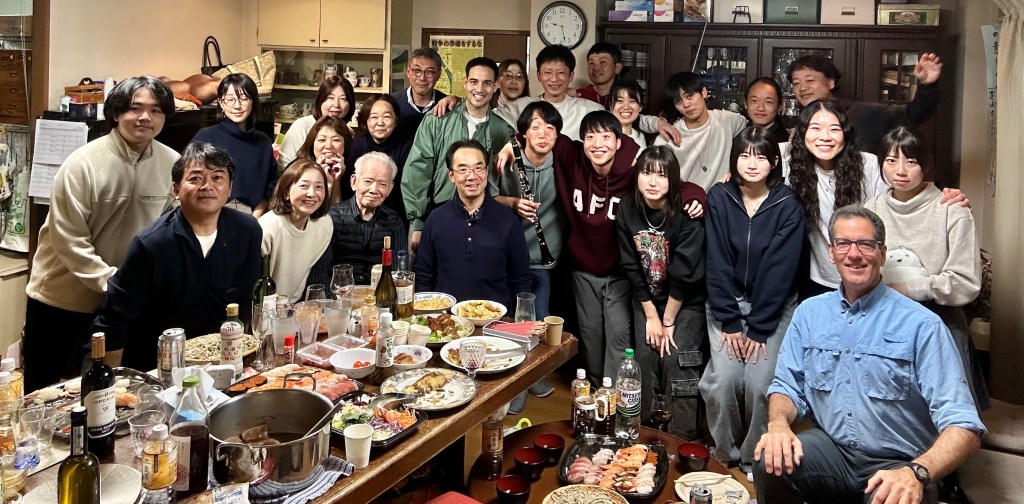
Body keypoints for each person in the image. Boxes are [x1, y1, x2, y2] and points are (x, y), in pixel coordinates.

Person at [753, 205, 986, 504]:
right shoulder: (809, 314)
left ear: (882, 253)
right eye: (843, 244)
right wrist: (778, 425)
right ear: (831, 252)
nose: (854, 254)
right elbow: (787, 386)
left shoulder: (922, 325)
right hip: (834, 452)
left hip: (902, 461)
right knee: (771, 460)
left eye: (865, 244)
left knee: (891, 499)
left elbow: (965, 426)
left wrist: (917, 472)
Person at [22, 76, 178, 392]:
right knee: (47, 395)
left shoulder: (173, 163)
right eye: (135, 108)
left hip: (123, 303)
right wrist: (114, 283)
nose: (145, 117)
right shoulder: (82, 164)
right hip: (62, 299)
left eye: (155, 110)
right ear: (116, 113)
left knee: (111, 394)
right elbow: (69, 239)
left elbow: (167, 230)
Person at [93, 142, 261, 371]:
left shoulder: (247, 230)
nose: (207, 186)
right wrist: (113, 380)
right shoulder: (152, 243)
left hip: (224, 360)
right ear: (176, 189)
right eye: (195, 178)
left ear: (230, 187)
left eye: (217, 178)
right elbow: (115, 318)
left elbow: (247, 298)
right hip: (158, 366)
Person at [699, 127, 805, 477]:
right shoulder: (719, 197)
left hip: (772, 308)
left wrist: (758, 328)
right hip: (726, 304)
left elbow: (781, 270)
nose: (752, 163)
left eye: (760, 156)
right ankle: (724, 452)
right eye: (744, 155)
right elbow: (716, 260)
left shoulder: (787, 204)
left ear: (774, 162)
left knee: (761, 385)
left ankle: (753, 457)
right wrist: (730, 321)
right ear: (734, 160)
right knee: (724, 382)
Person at [864, 127, 989, 411]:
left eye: (911, 161)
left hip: (939, 312)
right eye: (891, 160)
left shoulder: (951, 208)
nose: (900, 171)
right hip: (884, 312)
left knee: (951, 409)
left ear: (926, 164)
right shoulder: (872, 208)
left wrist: (908, 289)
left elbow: (966, 282)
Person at [616, 145, 706, 440]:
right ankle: (641, 432)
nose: (653, 182)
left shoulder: (687, 211)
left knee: (677, 359)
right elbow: (631, 265)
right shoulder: (627, 207)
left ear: (674, 179)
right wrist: (651, 316)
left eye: (662, 175)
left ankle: (680, 437)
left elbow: (684, 273)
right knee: (644, 358)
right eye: (647, 173)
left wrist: (667, 321)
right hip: (647, 299)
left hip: (685, 300)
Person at [490, 102, 567, 411]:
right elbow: (487, 197)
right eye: (535, 127)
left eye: (550, 128)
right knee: (512, 320)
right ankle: (513, 383)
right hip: (511, 254)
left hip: (546, 255)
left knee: (540, 319)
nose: (543, 134)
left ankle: (534, 376)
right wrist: (512, 202)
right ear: (523, 134)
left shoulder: (563, 160)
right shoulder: (507, 159)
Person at [403, 56, 514, 251]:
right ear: (465, 82)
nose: (479, 89)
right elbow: (418, 170)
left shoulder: (503, 131)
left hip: (483, 220)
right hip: (436, 213)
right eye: (474, 81)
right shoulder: (438, 120)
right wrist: (418, 221)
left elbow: (504, 182)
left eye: (487, 83)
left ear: (496, 85)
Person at [782, 100, 887, 299]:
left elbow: (899, 196)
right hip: (819, 278)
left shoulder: (869, 164)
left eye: (834, 129)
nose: (825, 137)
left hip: (867, 275)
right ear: (802, 133)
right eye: (816, 128)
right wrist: (731, 175)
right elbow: (754, 154)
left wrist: (942, 193)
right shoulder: (791, 165)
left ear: (845, 133)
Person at [415, 139, 532, 309]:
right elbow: (424, 276)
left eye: (478, 168)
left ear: (486, 171)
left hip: (496, 317)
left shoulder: (508, 219)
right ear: (451, 176)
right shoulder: (436, 219)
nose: (472, 176)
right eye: (463, 170)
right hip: (446, 318)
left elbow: (520, 278)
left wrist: (520, 317)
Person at [495, 45, 679, 145]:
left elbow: (624, 116)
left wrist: (657, 122)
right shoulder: (522, 106)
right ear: (539, 76)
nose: (554, 79)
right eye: (548, 73)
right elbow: (487, 120)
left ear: (571, 76)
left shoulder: (588, 108)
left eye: (561, 73)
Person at [788, 53, 942, 155]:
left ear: (830, 82)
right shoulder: (797, 122)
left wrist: (927, 85)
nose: (802, 88)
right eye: (796, 83)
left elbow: (912, 116)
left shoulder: (863, 113)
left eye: (810, 80)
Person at [193, 73, 278, 217]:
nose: (237, 106)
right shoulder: (206, 137)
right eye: (230, 99)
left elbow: (270, 187)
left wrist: (254, 219)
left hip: (253, 215)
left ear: (253, 102)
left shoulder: (263, 141)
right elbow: (191, 182)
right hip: (212, 214)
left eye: (244, 99)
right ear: (221, 103)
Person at [654, 71, 749, 191]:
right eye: (678, 101)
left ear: (704, 92)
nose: (686, 104)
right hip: (686, 200)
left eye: (689, 96)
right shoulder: (668, 138)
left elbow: (757, 129)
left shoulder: (728, 121)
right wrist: (656, 122)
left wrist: (735, 172)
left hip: (722, 199)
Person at [328, 152, 408, 287]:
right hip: (340, 294)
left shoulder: (394, 222)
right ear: (354, 182)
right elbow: (321, 271)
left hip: (381, 294)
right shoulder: (332, 218)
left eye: (382, 184)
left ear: (390, 188)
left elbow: (399, 272)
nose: (374, 190)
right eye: (368, 181)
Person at [258, 158, 333, 303]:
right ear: (286, 192)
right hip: (263, 308)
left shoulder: (324, 225)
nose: (312, 194)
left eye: (319, 187)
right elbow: (256, 286)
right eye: (304, 186)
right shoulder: (267, 228)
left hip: (295, 308)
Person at [345, 93, 411, 216]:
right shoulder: (357, 145)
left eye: (387, 117)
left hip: (395, 210)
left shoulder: (406, 146)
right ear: (366, 121)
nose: (380, 123)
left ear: (396, 120)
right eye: (374, 117)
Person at [277, 75, 355, 172]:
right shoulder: (302, 126)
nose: (336, 105)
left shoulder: (348, 132)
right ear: (320, 100)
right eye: (330, 98)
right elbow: (284, 167)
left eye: (343, 99)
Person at [391, 47, 449, 138]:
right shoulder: (392, 103)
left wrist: (456, 99)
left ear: (438, 75)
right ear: (408, 72)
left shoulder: (447, 106)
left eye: (429, 72)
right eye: (417, 71)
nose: (422, 78)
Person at [297, 115, 353, 206]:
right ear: (312, 143)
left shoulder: (352, 172)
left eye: (336, 140)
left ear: (345, 145)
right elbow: (312, 211)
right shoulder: (298, 170)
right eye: (322, 140)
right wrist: (322, 178)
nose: (328, 146)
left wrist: (336, 182)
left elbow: (338, 212)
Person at [744, 77, 789, 146]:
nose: (761, 108)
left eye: (768, 102)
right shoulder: (740, 133)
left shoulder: (786, 143)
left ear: (780, 106)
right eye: (754, 101)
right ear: (745, 103)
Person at [578, 42, 623, 109]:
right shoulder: (578, 96)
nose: (595, 68)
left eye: (603, 62)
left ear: (617, 68)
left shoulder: (625, 97)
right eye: (591, 63)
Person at [611, 79, 647, 150]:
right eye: (620, 101)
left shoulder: (640, 137)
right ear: (610, 105)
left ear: (640, 107)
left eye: (632, 101)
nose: (626, 107)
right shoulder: (603, 137)